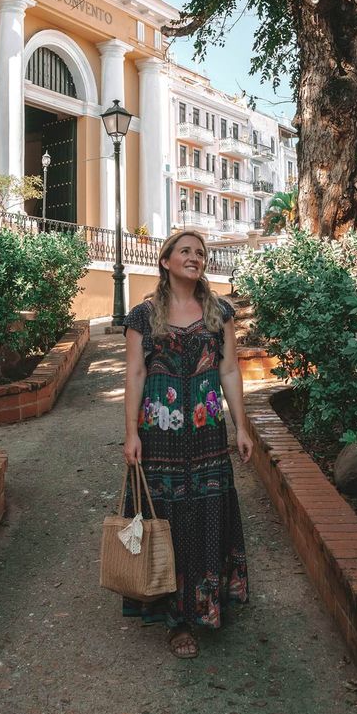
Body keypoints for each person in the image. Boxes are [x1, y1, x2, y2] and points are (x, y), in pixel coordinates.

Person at [122, 230, 252, 659]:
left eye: (200, 253)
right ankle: (176, 621)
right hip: (160, 438)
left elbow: (230, 371)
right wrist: (130, 434)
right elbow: (135, 376)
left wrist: (242, 427)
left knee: (208, 511)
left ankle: (208, 602)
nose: (194, 257)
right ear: (165, 261)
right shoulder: (143, 316)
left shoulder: (219, 312)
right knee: (167, 518)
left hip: (209, 435)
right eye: (185, 251)